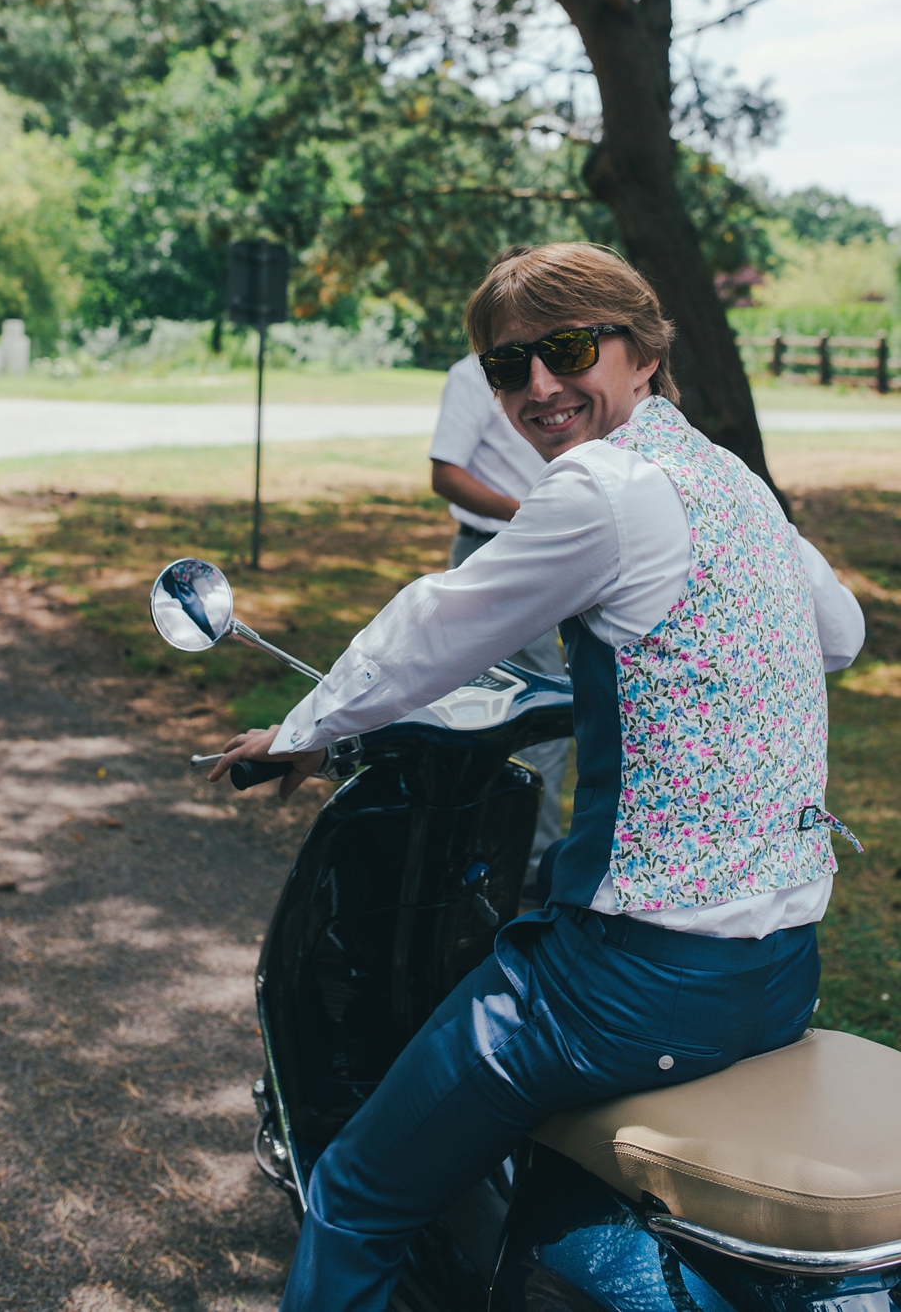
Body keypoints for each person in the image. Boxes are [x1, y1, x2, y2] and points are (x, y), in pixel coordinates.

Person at [208, 243, 866, 1312]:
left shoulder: (603, 491)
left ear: (642, 349)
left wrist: (301, 731)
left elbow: (438, 623)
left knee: (360, 1189)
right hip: (778, 973)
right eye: (507, 369)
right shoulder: (726, 480)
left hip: (626, 987)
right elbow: (837, 631)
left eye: (566, 349)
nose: (538, 388)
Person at [429, 347, 571, 891]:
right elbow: (446, 474)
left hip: (554, 553)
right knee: (541, 713)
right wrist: (528, 514)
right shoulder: (470, 377)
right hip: (502, 552)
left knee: (510, 711)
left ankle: (486, 863)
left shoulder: (557, 378)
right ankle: (526, 875)